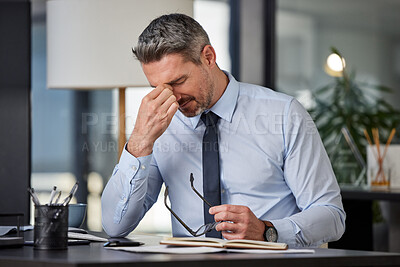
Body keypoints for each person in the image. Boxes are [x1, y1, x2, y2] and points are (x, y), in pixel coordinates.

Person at [101, 13, 345, 247]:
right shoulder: (160, 126)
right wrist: (140, 142)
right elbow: (115, 226)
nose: (172, 98)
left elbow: (331, 217)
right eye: (158, 88)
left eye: (178, 82)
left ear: (208, 57)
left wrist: (267, 230)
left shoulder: (284, 114)